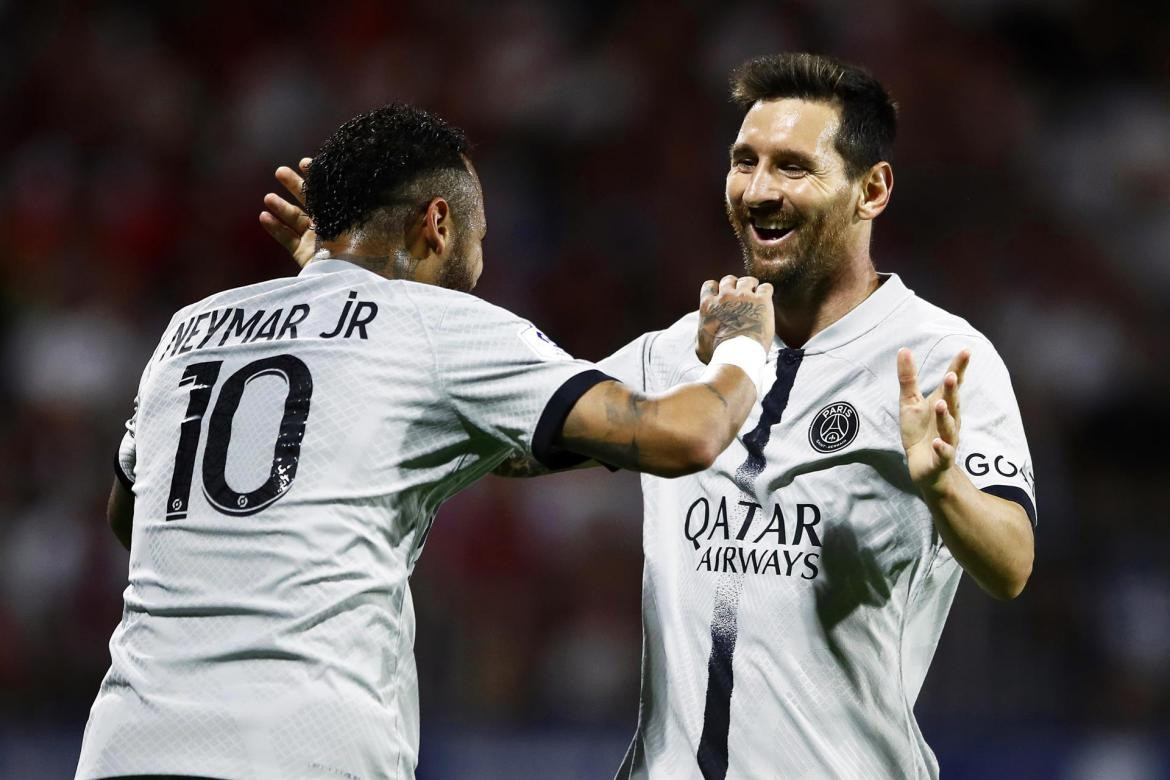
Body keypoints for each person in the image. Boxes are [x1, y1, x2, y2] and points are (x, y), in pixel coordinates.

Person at [262, 54, 1037, 779]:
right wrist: (347, 289)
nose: (759, 189)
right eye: (745, 161)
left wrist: (944, 490)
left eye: (792, 167)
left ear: (871, 190)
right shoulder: (676, 354)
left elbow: (1010, 563)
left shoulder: (937, 358)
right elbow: (493, 434)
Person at [76, 103, 778, 780]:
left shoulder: (188, 329)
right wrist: (745, 346)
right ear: (437, 223)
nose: (477, 264)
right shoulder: (432, 323)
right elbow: (686, 434)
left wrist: (319, 297)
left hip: (124, 748)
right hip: (299, 750)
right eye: (479, 242)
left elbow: (133, 520)